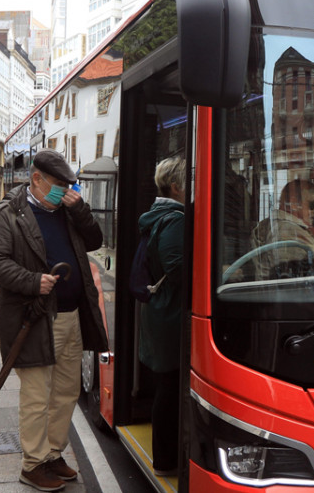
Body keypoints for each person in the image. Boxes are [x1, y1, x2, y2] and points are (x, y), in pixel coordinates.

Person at [0, 150, 108, 492]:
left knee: (66, 391)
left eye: (69, 186)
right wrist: (32, 281)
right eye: (58, 185)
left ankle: (53, 454)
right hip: (33, 318)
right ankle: (33, 464)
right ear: (36, 179)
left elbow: (95, 241)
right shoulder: (8, 214)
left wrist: (80, 209)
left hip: (72, 316)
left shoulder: (67, 211)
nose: (63, 192)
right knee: (37, 395)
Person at [137, 156, 186, 476]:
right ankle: (166, 460)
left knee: (166, 386)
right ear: (176, 186)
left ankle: (166, 458)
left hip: (162, 310)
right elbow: (179, 268)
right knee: (169, 387)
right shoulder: (175, 220)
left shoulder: (159, 215)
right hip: (171, 313)